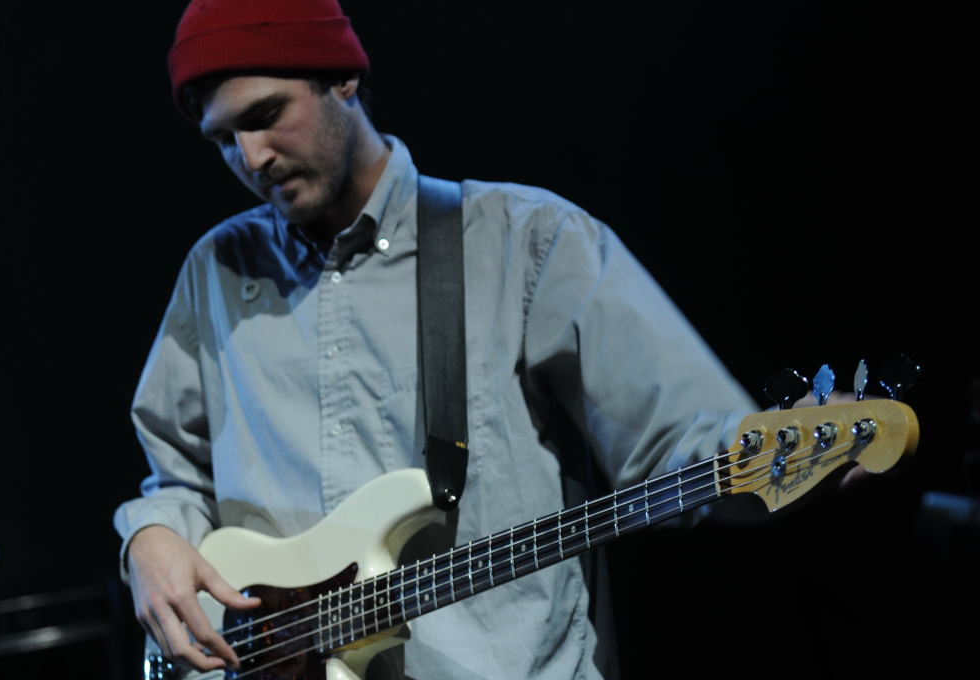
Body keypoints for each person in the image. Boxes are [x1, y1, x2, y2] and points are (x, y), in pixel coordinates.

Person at [114, 1, 762, 678]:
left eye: (265, 115)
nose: (252, 157)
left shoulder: (528, 243)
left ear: (342, 79)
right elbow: (178, 478)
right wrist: (150, 536)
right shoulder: (216, 272)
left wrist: (779, 452)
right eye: (223, 140)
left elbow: (679, 441)